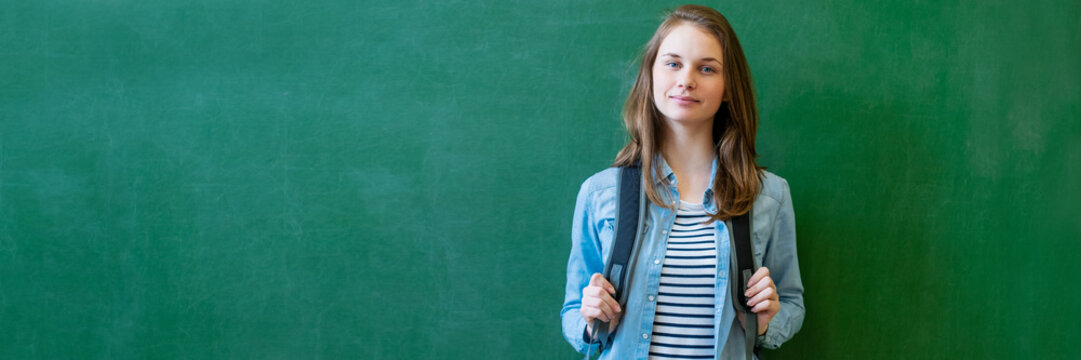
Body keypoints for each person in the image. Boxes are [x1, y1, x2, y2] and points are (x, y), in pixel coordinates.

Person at [560, 5, 804, 359]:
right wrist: (592, 321)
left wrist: (766, 322)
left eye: (706, 68)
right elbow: (573, 314)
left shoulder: (768, 196)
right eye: (673, 63)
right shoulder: (600, 194)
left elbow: (792, 302)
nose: (686, 79)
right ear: (651, 76)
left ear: (728, 88)